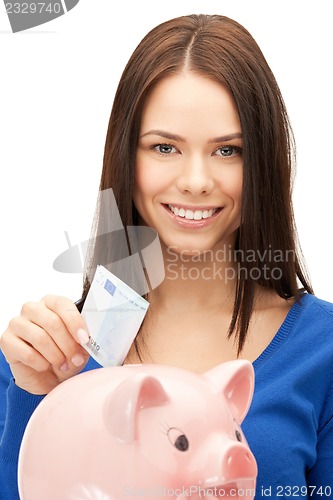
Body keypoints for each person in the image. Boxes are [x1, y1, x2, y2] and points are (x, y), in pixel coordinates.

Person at [1, 13, 332, 499]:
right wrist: (32, 395)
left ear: (265, 161)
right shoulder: (47, 354)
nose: (196, 180)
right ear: (125, 157)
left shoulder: (323, 351)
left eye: (228, 151)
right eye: (164, 147)